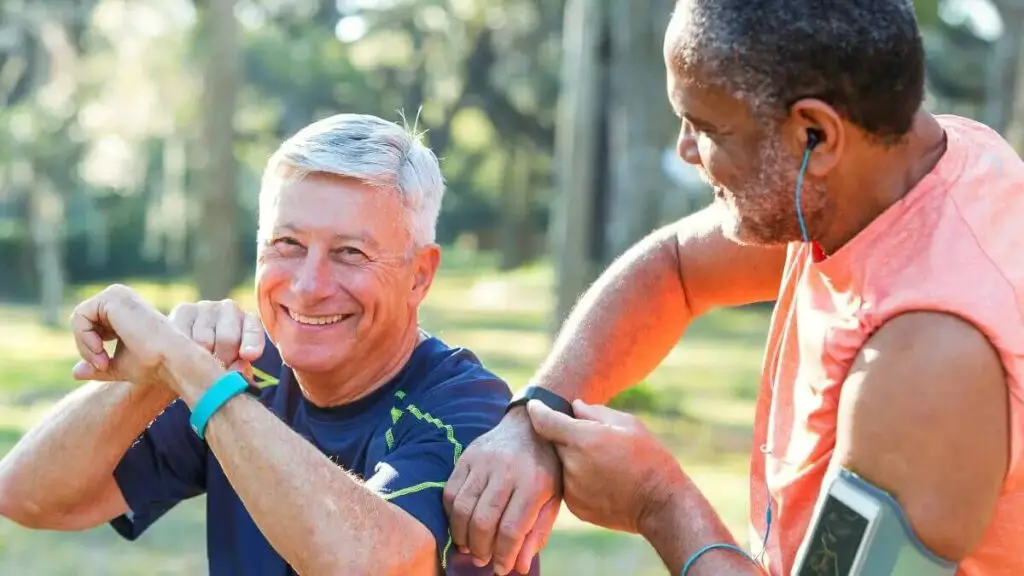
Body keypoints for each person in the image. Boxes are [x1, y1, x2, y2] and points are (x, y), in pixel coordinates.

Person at [444, 1, 1024, 574]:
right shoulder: (890, 173)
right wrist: (533, 416)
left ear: (816, 134)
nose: (685, 150)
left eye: (707, 128)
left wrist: (658, 502)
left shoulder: (928, 361)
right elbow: (671, 267)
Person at [0, 114, 538, 575]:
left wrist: (200, 382)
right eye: (287, 244)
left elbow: (372, 564)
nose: (309, 284)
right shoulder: (252, 372)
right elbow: (28, 495)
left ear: (420, 275)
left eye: (350, 252)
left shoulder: (469, 411)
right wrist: (156, 369)